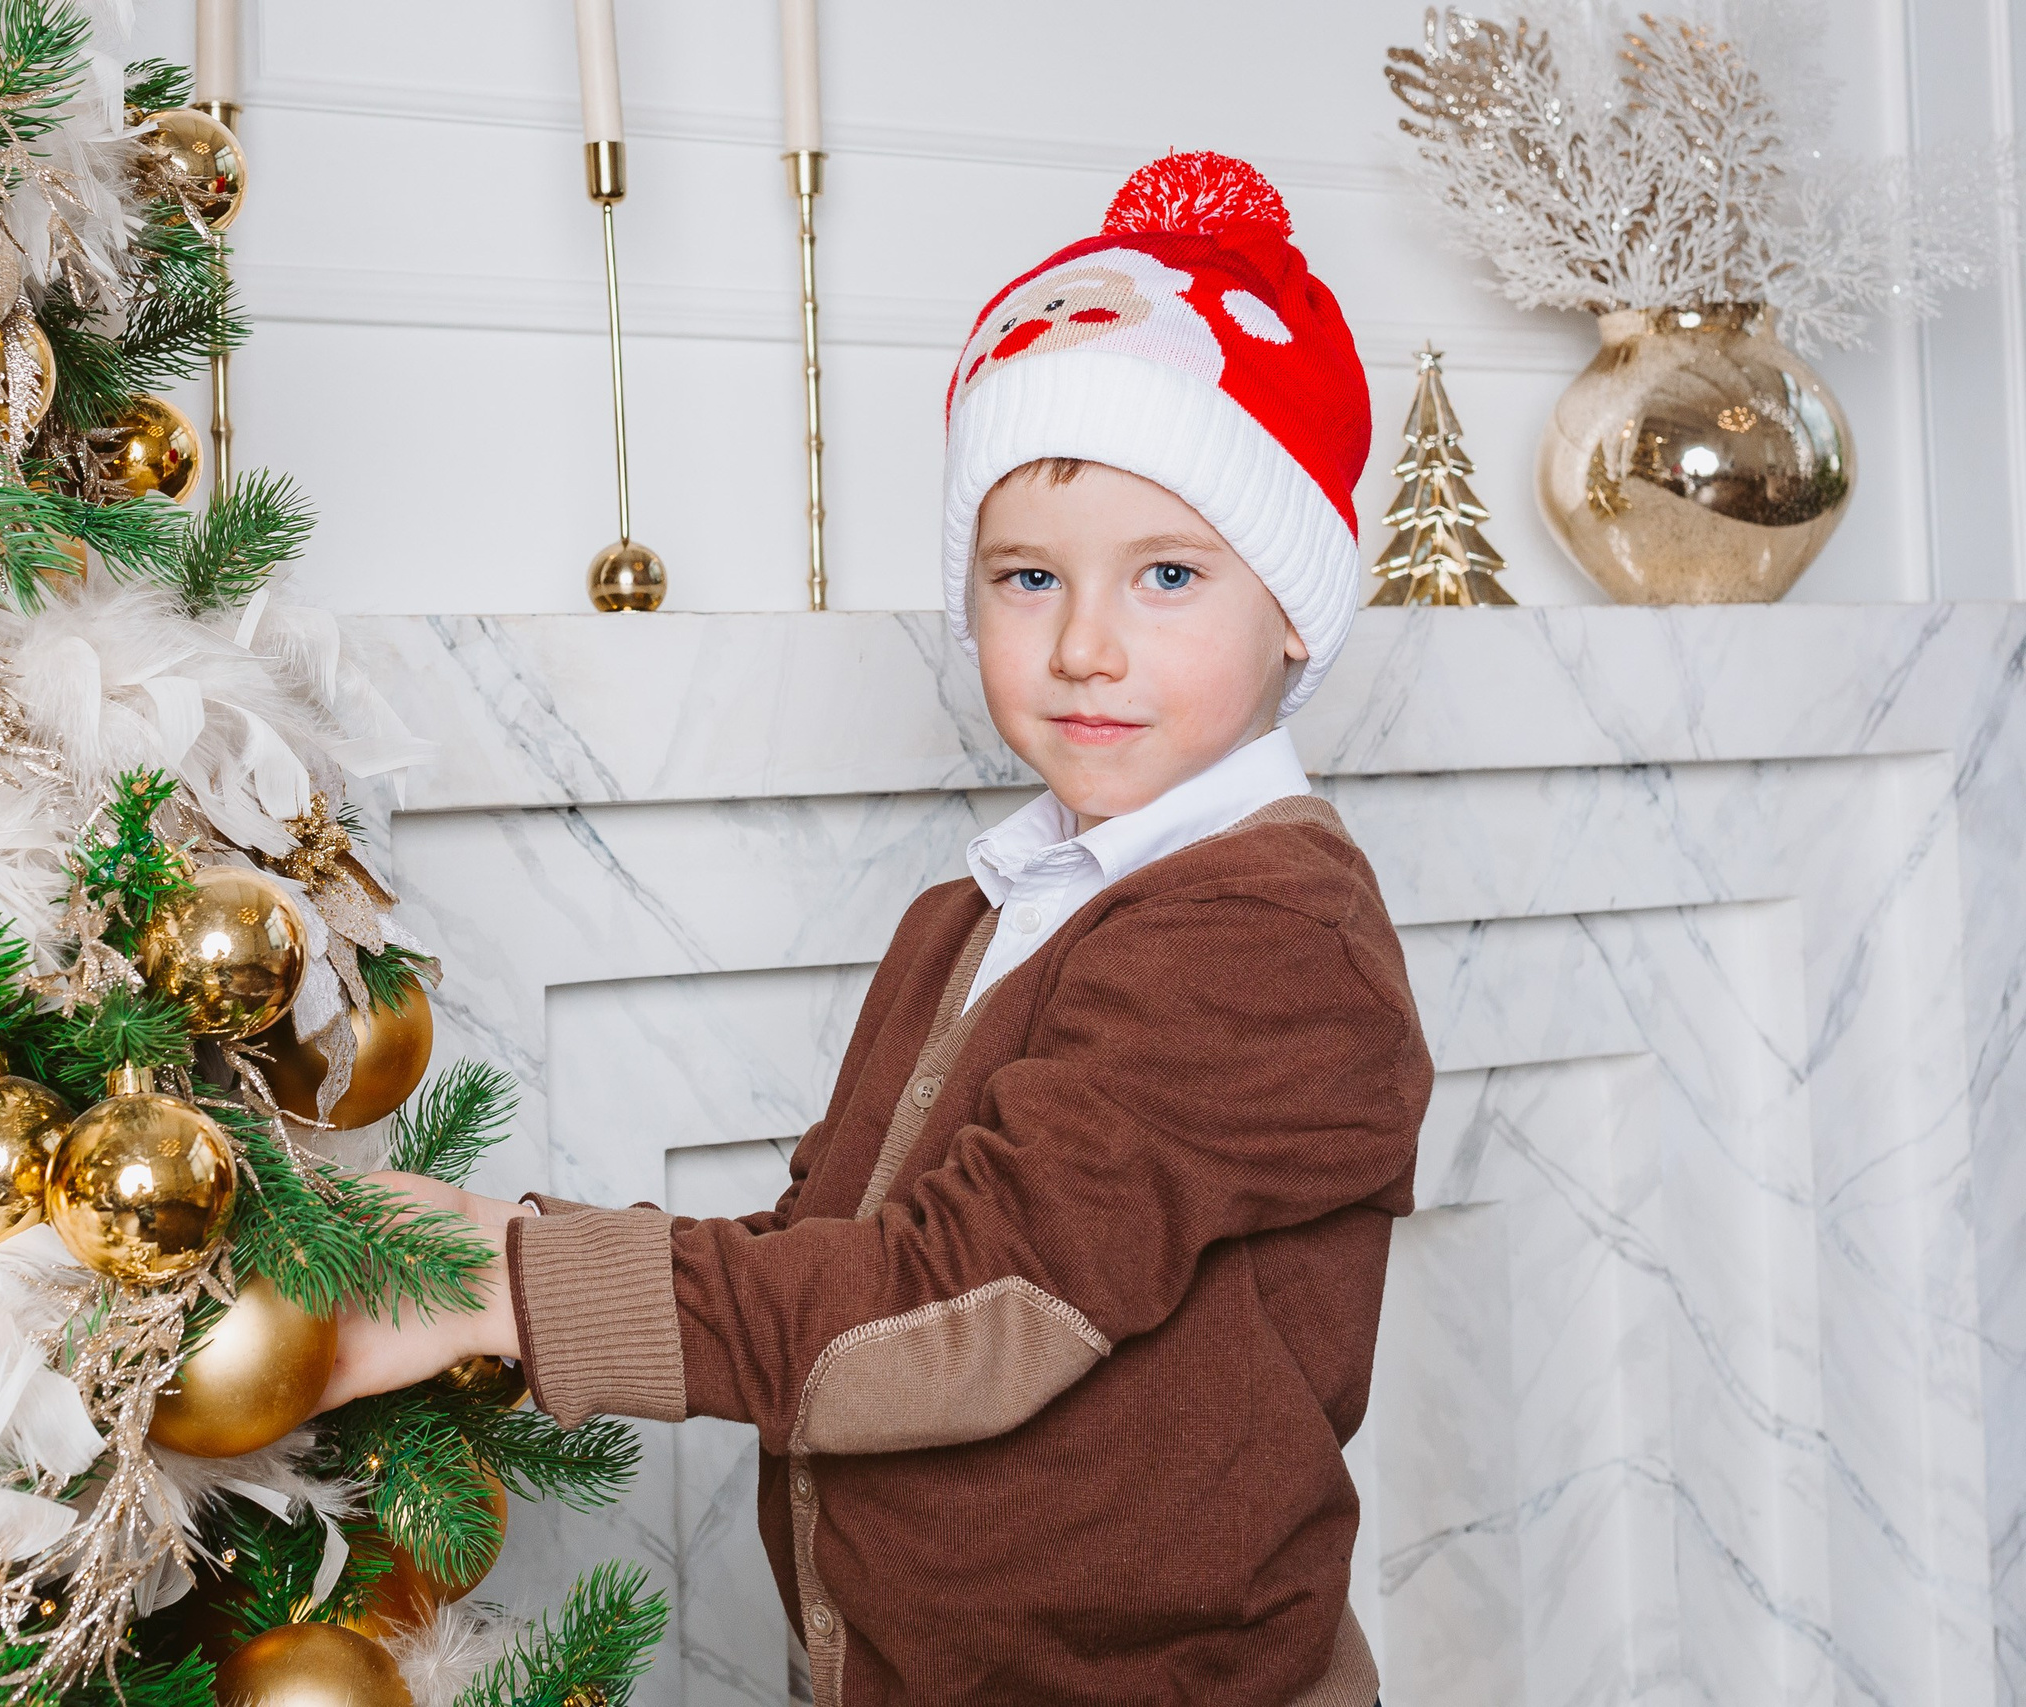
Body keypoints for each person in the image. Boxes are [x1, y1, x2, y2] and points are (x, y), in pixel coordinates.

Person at [319, 151, 1432, 1707]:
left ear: (1297, 603)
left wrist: (510, 1286)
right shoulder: (983, 911)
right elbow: (844, 1259)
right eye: (1026, 576)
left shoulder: (1261, 936)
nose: (1086, 644)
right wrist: (503, 1253)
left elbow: (955, 1301)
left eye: (1169, 574)